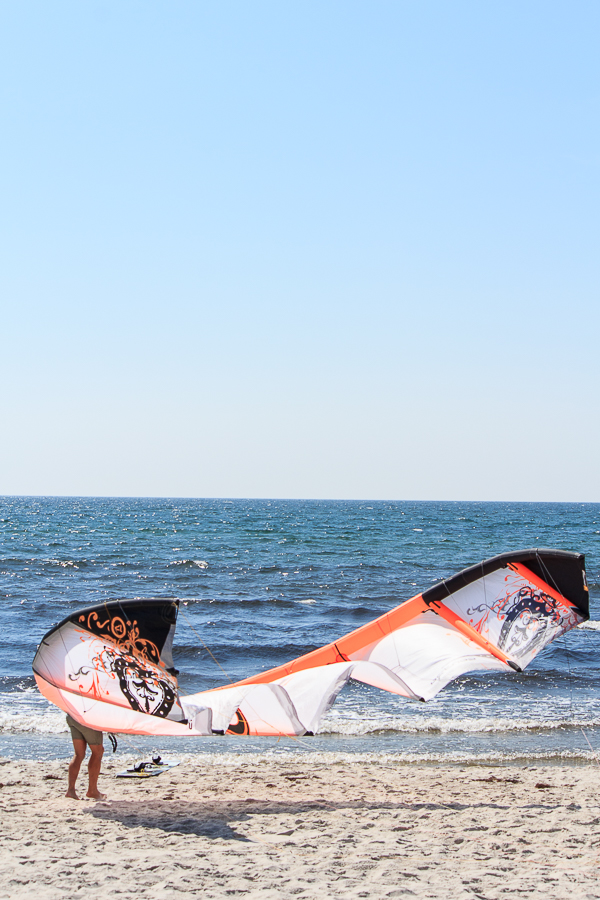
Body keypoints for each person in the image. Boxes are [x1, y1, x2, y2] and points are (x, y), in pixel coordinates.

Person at [65, 714, 107, 800]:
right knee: (97, 752)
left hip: (72, 716)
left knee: (79, 754)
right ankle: (92, 791)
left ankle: (70, 790)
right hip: (87, 718)